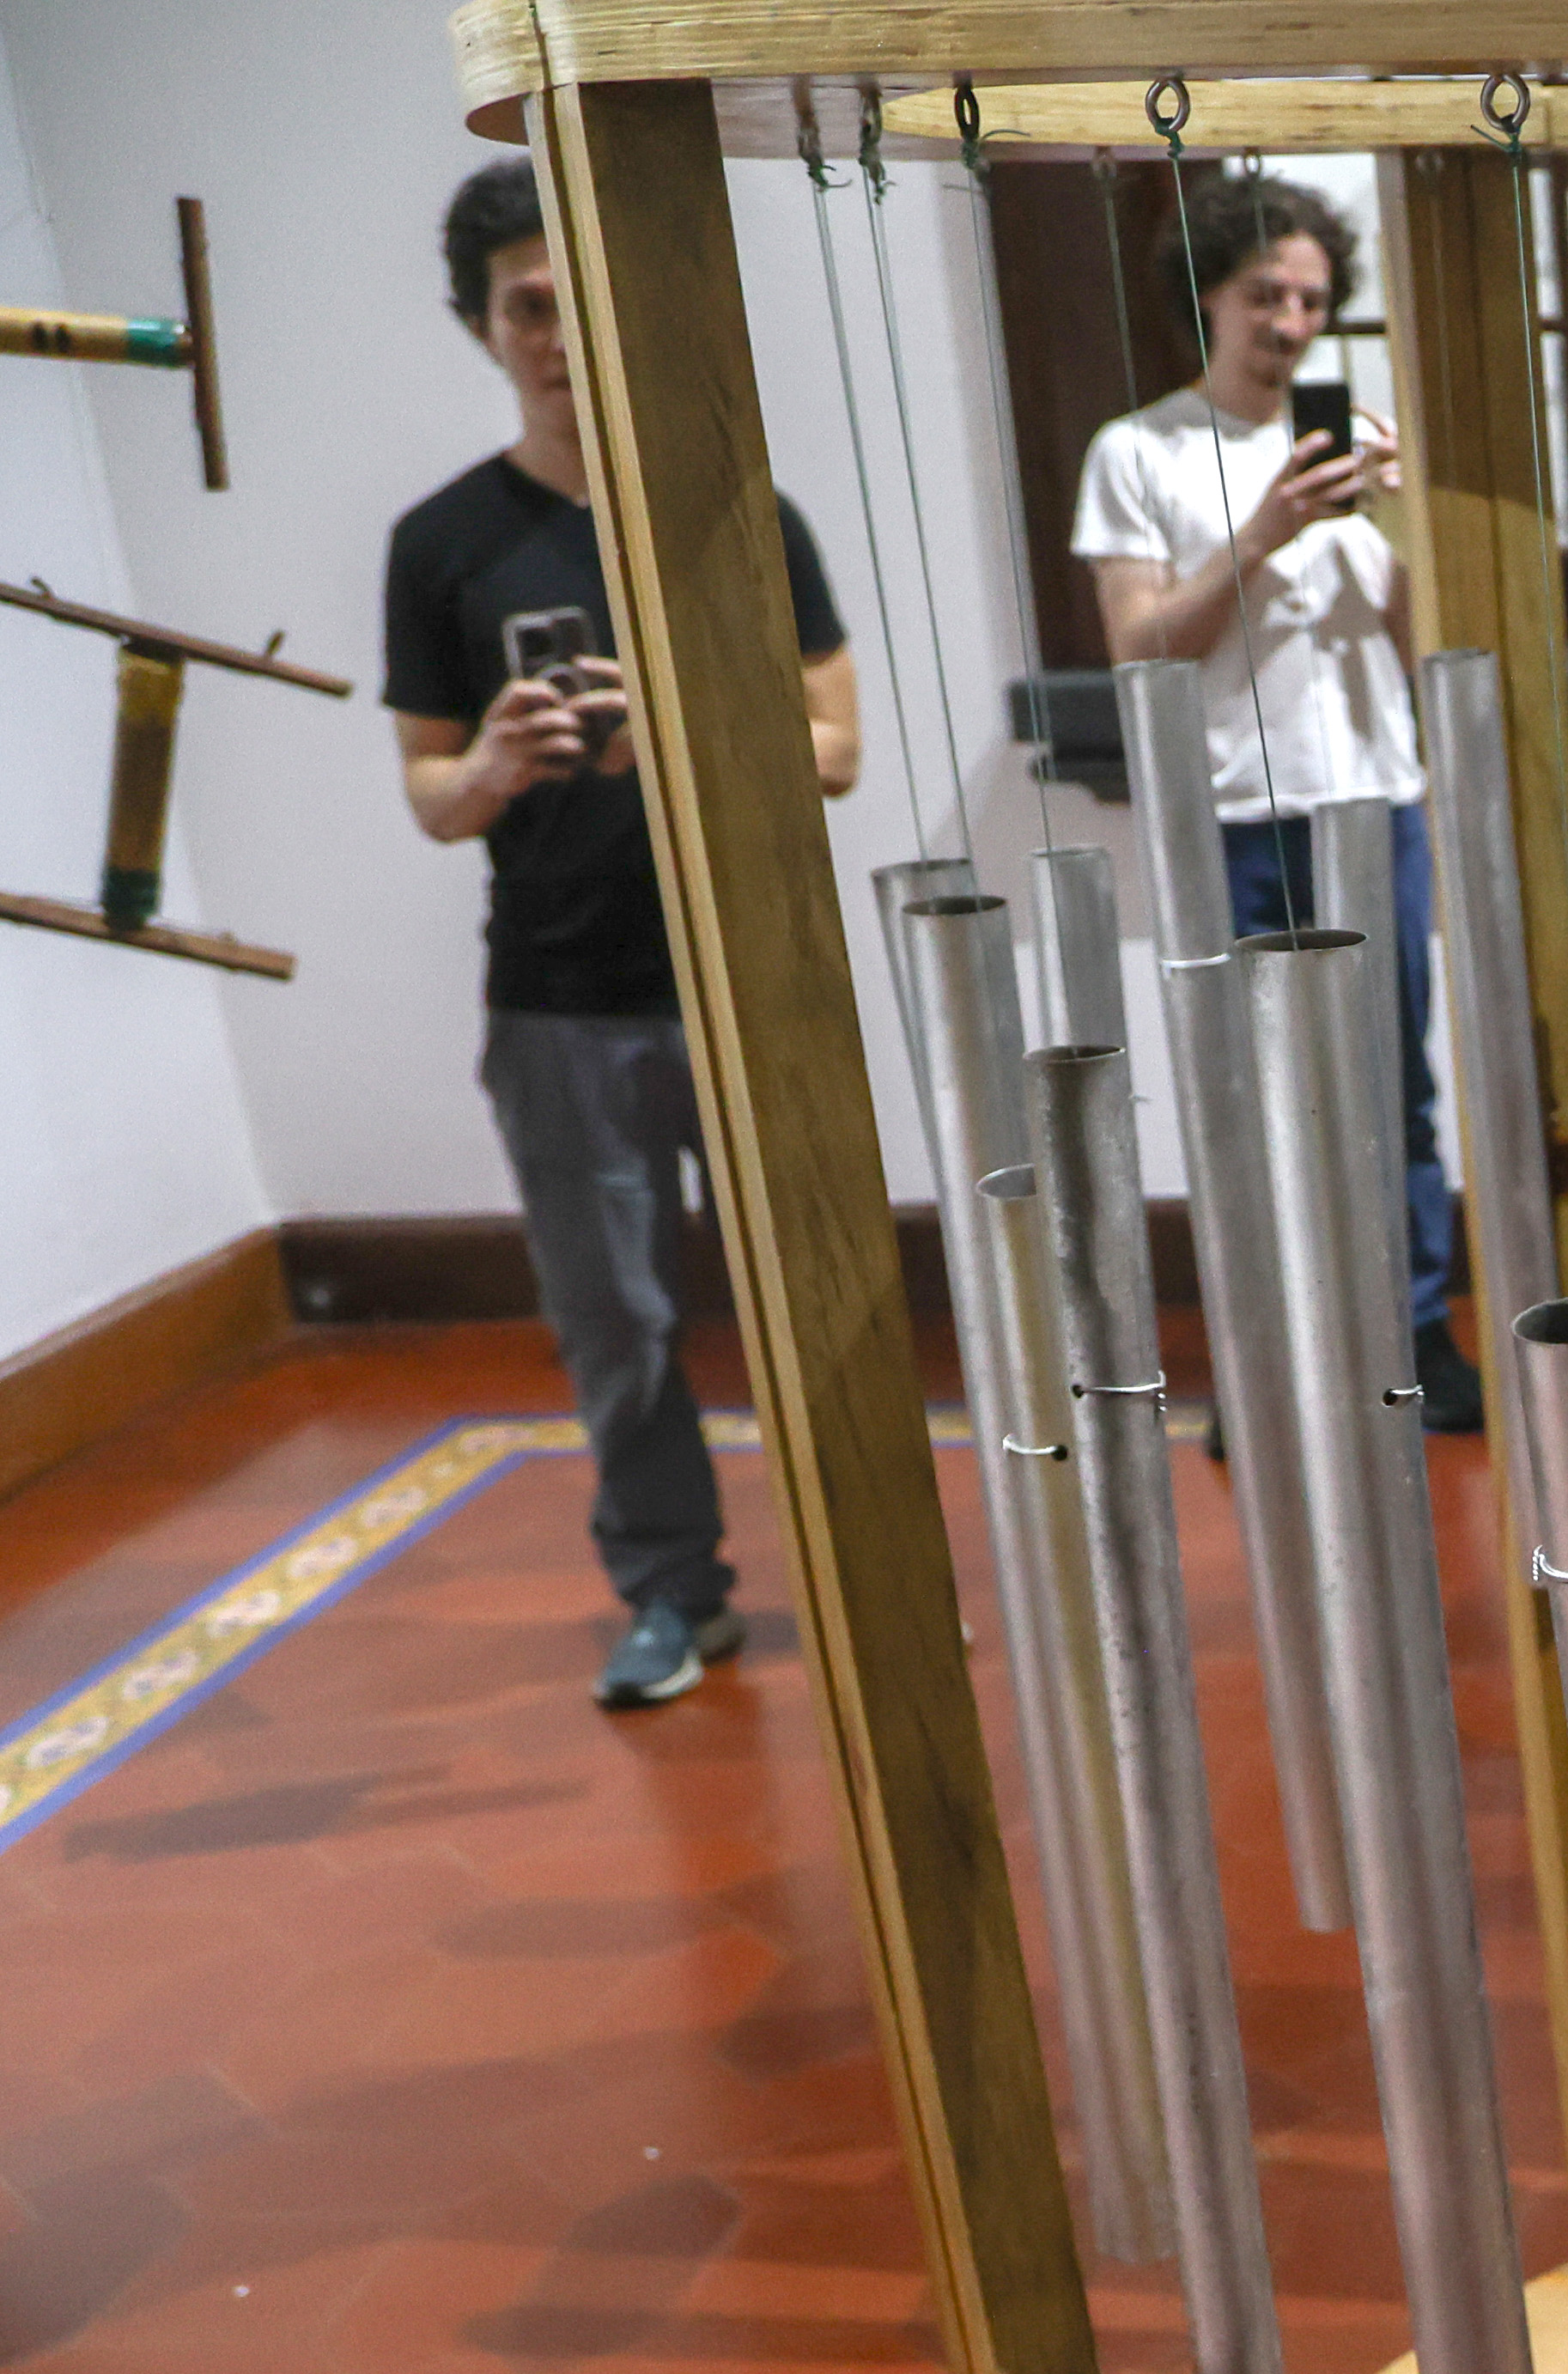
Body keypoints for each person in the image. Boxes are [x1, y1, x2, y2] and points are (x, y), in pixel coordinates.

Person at [387, 158, 864, 1709]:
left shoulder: (737, 504)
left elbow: (838, 746)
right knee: (621, 1332)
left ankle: (875, 1597)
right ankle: (677, 1598)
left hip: (752, 979)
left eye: (572, 299)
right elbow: (429, 794)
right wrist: (496, 761)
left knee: (825, 1302)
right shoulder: (442, 544)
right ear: (483, 329)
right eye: (524, 306)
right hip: (560, 1003)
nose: (555, 334)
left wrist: (674, 721)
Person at [1071, 172, 1480, 1431]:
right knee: (1251, 1100)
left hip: (1372, 802)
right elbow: (1140, 648)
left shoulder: (1351, 439)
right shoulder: (1137, 453)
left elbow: (1429, 638)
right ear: (1208, 298)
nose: (1291, 322)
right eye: (1266, 296)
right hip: (1232, 819)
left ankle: (1416, 1325)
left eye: (1311, 299)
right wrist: (1260, 535)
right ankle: (1272, 1356)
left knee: (1393, 1080)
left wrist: (1404, 516)